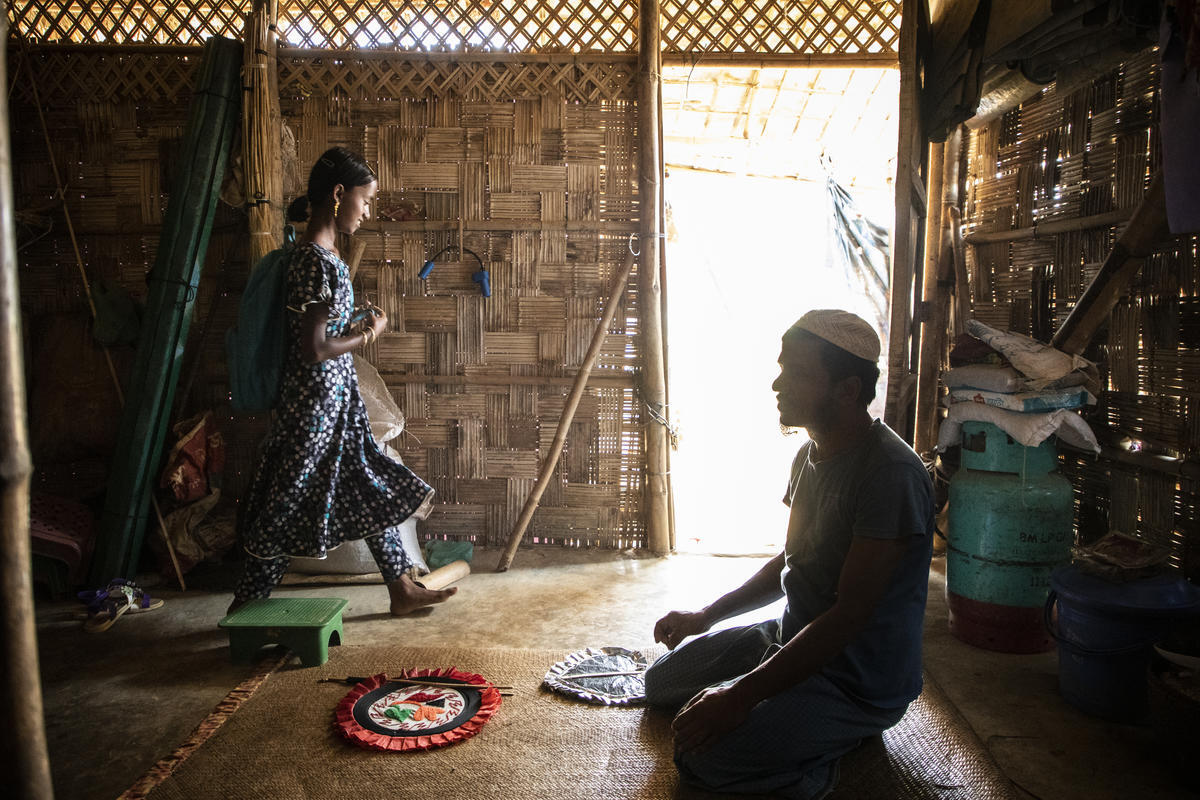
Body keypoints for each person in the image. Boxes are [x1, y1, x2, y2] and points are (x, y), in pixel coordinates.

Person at [644, 309, 934, 799]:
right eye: (781, 368)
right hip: (792, 637)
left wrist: (741, 696)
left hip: (855, 680)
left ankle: (829, 761)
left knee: (700, 758)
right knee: (660, 685)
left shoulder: (891, 474)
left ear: (847, 389)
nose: (778, 385)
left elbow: (848, 618)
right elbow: (791, 559)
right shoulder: (810, 454)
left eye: (796, 372)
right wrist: (705, 616)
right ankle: (781, 713)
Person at [229, 147, 455, 616]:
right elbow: (312, 349)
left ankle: (401, 589)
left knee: (365, 483)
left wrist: (350, 326)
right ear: (338, 195)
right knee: (285, 500)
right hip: (313, 408)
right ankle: (246, 604)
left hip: (335, 403)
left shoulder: (320, 255)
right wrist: (367, 335)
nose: (368, 211)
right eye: (365, 200)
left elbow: (317, 334)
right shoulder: (314, 259)